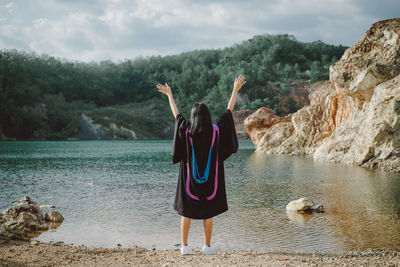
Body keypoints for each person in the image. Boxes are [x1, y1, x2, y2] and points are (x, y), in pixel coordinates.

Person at [156, 75, 246, 255]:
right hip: (211, 180)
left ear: (193, 117)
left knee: (186, 213)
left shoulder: (186, 130)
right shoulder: (216, 131)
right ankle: (207, 246)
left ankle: (185, 247)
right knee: (208, 213)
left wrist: (170, 95)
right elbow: (229, 112)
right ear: (207, 116)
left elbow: (176, 115)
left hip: (189, 180)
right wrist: (234, 90)